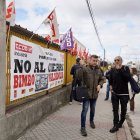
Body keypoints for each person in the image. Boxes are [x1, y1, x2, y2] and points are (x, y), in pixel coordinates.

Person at [76, 55, 104, 136]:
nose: (95, 62)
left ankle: (91, 121)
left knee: (93, 109)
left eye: (96, 61)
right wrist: (81, 66)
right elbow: (78, 76)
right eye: (93, 60)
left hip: (95, 94)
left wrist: (100, 85)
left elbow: (102, 78)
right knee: (85, 110)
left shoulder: (99, 70)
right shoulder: (85, 68)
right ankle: (82, 127)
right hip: (86, 94)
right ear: (89, 60)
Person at [109, 56, 131, 133]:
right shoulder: (112, 70)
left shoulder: (125, 68)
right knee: (115, 110)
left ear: (121, 61)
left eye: (118, 60)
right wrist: (111, 87)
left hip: (124, 94)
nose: (116, 61)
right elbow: (110, 80)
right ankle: (115, 125)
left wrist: (120, 69)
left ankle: (121, 122)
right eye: (115, 60)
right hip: (115, 93)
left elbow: (127, 78)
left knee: (123, 110)